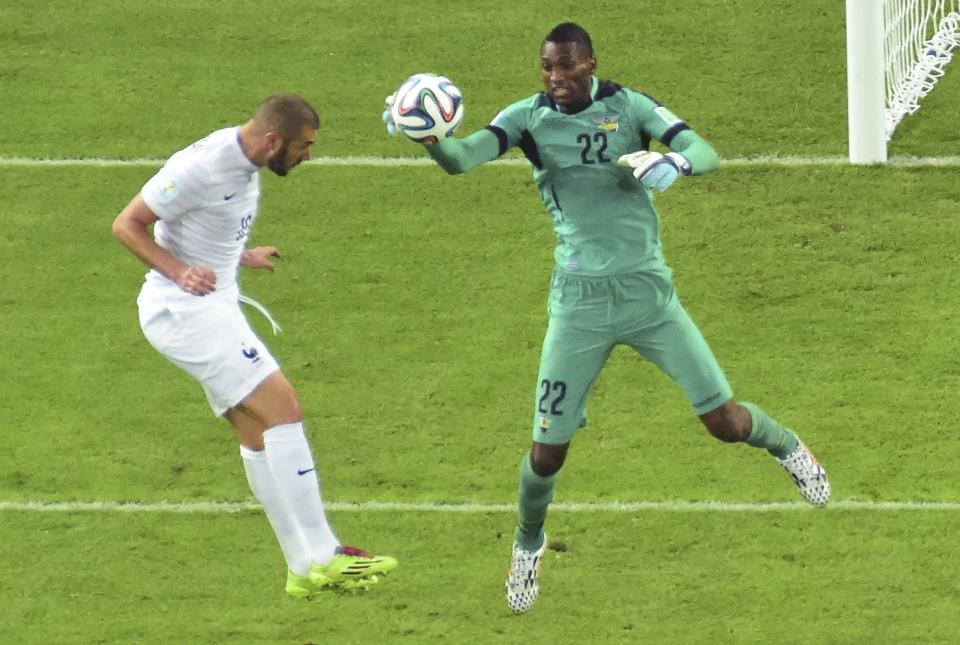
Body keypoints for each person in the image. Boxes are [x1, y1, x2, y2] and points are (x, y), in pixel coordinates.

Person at [383, 23, 830, 614]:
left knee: (724, 422)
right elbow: (463, 160)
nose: (556, 78)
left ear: (590, 63)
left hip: (650, 297)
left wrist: (676, 165)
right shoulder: (527, 119)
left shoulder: (630, 106)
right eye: (547, 68)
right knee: (547, 454)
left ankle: (789, 448)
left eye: (566, 67)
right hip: (579, 303)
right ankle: (527, 545)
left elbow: (706, 151)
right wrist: (432, 136)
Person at [113, 93, 397, 599]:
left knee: (258, 433)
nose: (308, 155)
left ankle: (301, 566)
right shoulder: (202, 166)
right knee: (284, 409)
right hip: (184, 312)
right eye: (304, 147)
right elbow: (127, 224)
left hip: (210, 306)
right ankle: (327, 555)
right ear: (273, 140)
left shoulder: (243, 161)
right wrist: (181, 272)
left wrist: (239, 257)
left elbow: (202, 225)